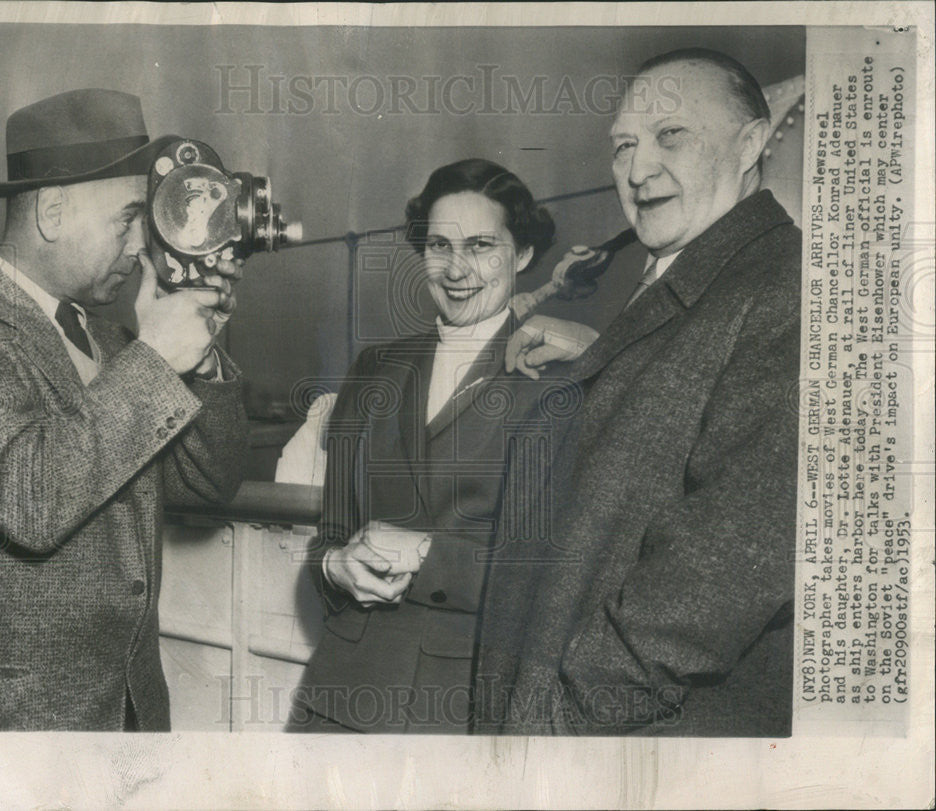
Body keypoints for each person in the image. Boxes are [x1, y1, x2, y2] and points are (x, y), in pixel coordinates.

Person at [473, 48, 801, 736]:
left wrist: (562, 720)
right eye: (624, 143)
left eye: (670, 135)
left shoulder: (789, 287)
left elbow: (722, 570)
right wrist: (601, 356)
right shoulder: (698, 279)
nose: (638, 168)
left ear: (750, 144)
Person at [0, 89, 248, 731]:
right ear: (53, 212)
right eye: (129, 218)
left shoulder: (112, 342)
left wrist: (197, 358)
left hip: (134, 713)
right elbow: (27, 498)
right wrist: (154, 360)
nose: (144, 246)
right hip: (22, 727)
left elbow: (208, 486)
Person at [290, 159, 557, 733]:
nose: (457, 269)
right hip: (342, 701)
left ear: (523, 255)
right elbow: (330, 535)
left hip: (467, 709)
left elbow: (554, 572)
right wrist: (335, 566)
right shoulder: (373, 369)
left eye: (482, 245)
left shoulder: (560, 379)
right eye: (439, 246)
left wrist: (424, 553)